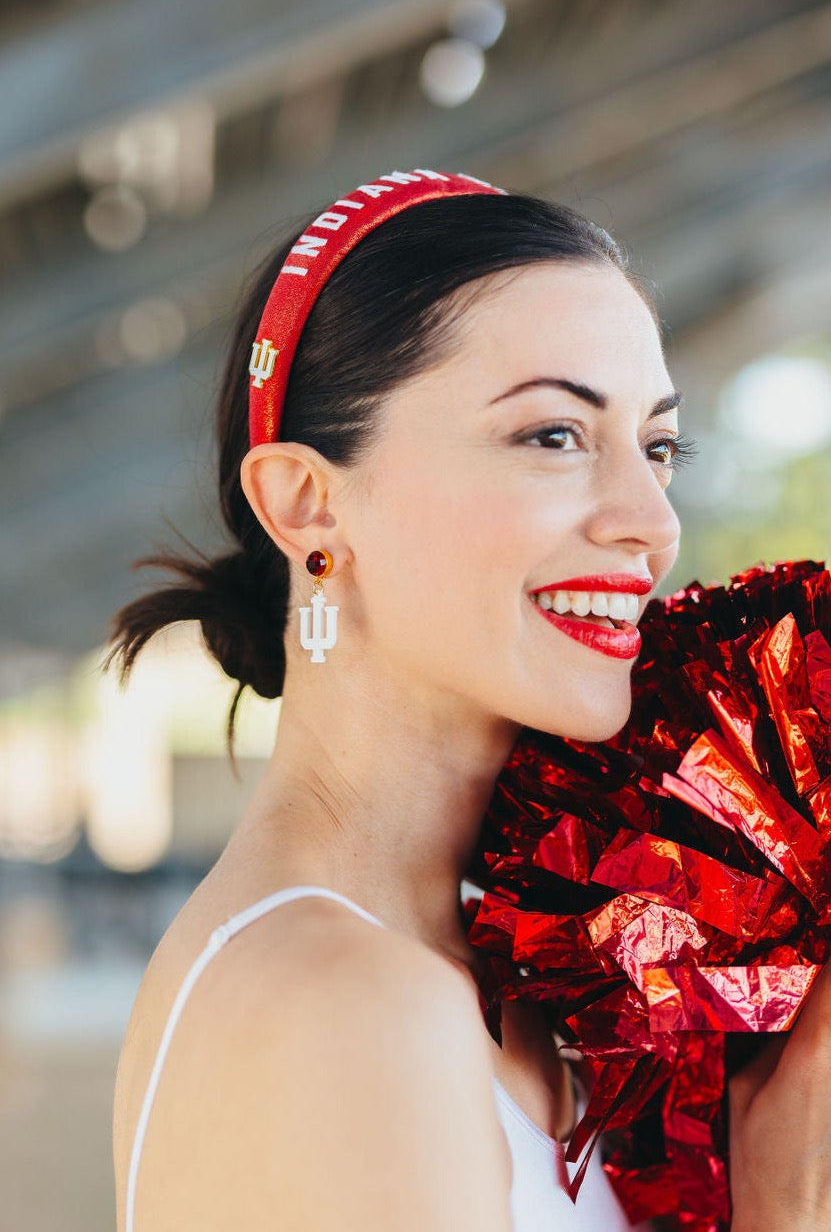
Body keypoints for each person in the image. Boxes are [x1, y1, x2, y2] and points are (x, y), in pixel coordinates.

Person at [108, 168, 831, 1232]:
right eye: (554, 436)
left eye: (659, 446)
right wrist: (783, 1208)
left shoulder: (532, 979)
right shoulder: (347, 1003)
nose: (651, 521)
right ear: (307, 503)